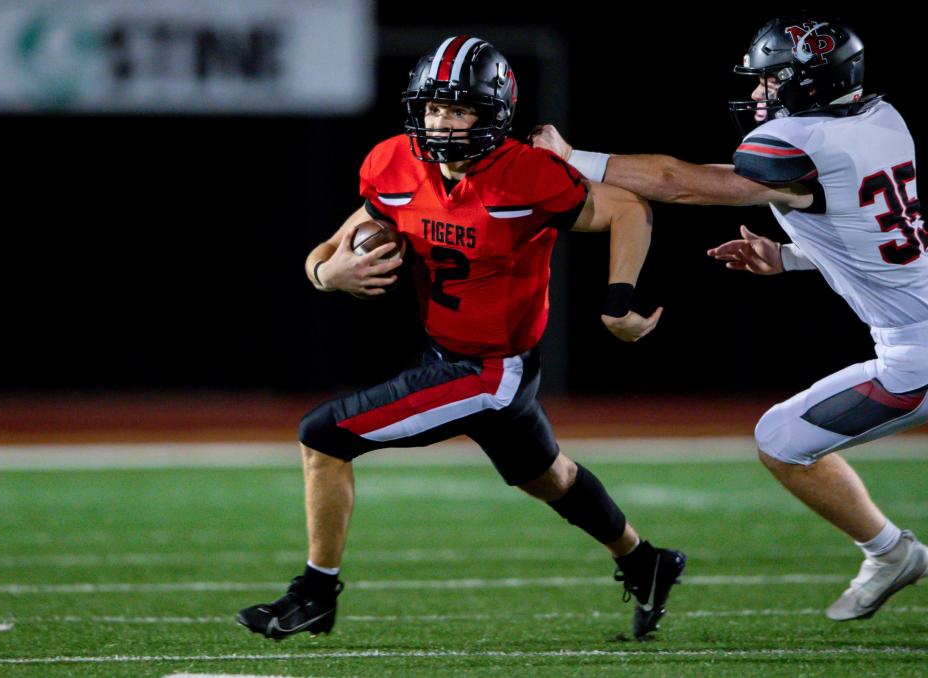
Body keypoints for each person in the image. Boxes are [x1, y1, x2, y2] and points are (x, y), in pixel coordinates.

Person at [236, 36, 686, 642]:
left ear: (493, 115)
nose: (442, 124)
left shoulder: (528, 174)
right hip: (449, 354)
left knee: (322, 435)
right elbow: (329, 248)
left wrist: (618, 301)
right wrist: (328, 273)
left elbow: (629, 208)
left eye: (459, 110)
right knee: (547, 477)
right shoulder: (393, 163)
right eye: (434, 109)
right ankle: (645, 561)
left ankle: (315, 593)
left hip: (491, 369)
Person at [532, 16, 928, 621]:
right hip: (915, 327)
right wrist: (792, 257)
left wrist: (573, 158)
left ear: (809, 82)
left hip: (917, 351)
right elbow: (876, 232)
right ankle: (890, 551)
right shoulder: (882, 119)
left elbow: (682, 185)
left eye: (773, 81)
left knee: (781, 439)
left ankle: (890, 550)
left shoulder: (803, 142)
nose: (762, 94)